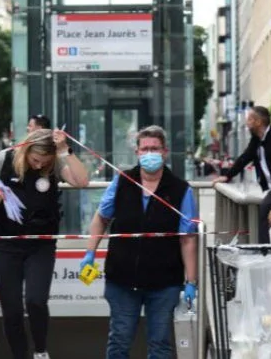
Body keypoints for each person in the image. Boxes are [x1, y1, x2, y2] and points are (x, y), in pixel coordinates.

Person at [83, 125, 198, 359]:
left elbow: (188, 239)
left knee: (160, 345)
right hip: (123, 280)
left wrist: (191, 281)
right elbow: (101, 218)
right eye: (144, 149)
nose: (149, 154)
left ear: (164, 152)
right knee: (119, 341)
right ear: (137, 152)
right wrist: (90, 254)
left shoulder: (180, 190)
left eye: (154, 148)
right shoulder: (122, 182)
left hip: (164, 283)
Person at [0, 128, 90, 359]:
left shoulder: (55, 164)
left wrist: (63, 151)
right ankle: (19, 354)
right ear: (26, 150)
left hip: (41, 244)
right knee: (11, 309)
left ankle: (40, 351)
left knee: (36, 300)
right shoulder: (5, 160)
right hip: (8, 244)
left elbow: (81, 181)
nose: (39, 166)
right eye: (35, 160)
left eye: (44, 162)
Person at [212, 106, 271, 244]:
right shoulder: (257, 139)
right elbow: (245, 157)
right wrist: (228, 176)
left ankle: (263, 254)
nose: (246, 123)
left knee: (261, 215)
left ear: (258, 122)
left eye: (249, 119)